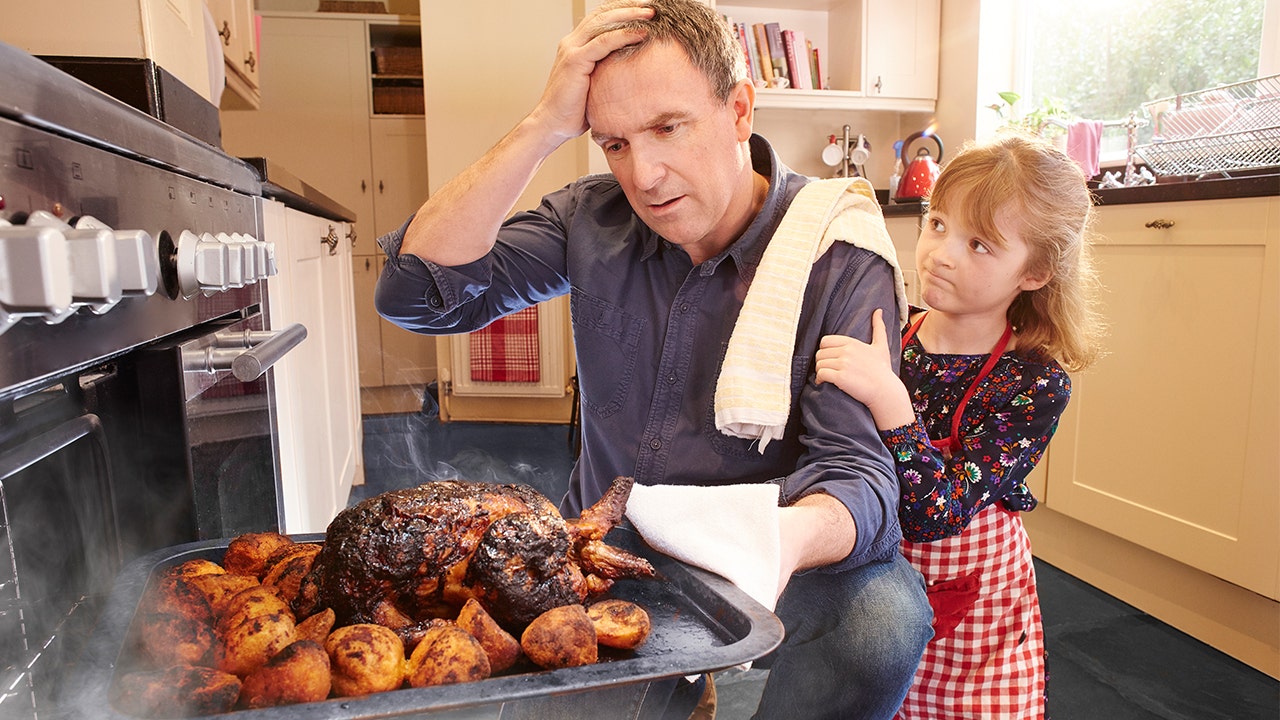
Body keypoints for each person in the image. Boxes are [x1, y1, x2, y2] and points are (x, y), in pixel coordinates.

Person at [374, 0, 932, 716]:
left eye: (669, 128)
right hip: (615, 542)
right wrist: (545, 123)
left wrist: (773, 544)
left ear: (738, 111)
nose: (645, 175)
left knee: (882, 622)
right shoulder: (590, 217)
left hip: (769, 541)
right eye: (615, 143)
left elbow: (860, 477)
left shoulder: (839, 252)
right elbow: (416, 293)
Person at [815, 132, 1106, 719]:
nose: (941, 253)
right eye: (938, 223)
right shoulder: (892, 332)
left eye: (980, 245)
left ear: (1036, 271)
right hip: (877, 585)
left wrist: (889, 398)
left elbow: (936, 513)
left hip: (976, 622)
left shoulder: (1033, 383)